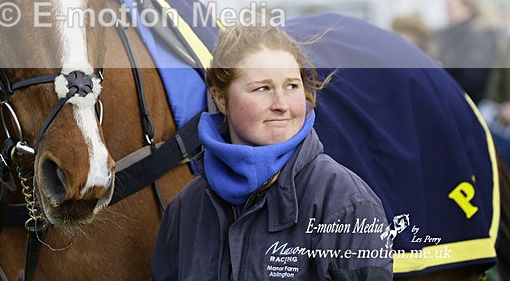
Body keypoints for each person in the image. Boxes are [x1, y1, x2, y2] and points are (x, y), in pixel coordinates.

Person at [151, 24, 392, 280]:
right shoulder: (183, 211)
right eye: (262, 88)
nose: (281, 104)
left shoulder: (347, 204)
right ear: (221, 99)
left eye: (291, 86)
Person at [434, 0, 498, 103]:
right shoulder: (450, 34)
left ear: (468, 7)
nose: (446, 10)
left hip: (470, 104)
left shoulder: (479, 34)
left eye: (450, 6)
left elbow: (472, 79)